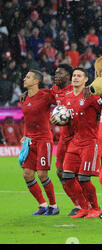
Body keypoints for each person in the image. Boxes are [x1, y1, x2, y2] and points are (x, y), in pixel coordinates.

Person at [57, 67, 102, 219]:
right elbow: (66, 118)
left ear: (85, 80)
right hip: (74, 142)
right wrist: (58, 120)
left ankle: (96, 208)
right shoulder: (67, 97)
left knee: (84, 178)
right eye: (74, 75)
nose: (75, 78)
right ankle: (83, 207)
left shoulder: (91, 95)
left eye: (79, 76)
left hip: (90, 141)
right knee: (67, 176)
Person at [20, 70, 59, 215]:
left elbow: (61, 101)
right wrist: (24, 135)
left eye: (28, 77)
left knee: (42, 174)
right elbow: (27, 120)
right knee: (27, 174)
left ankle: (53, 206)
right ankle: (42, 205)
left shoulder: (45, 95)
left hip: (44, 140)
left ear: (36, 81)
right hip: (30, 141)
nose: (24, 79)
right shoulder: (24, 98)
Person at [51, 64, 86, 216]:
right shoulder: (55, 90)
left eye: (60, 73)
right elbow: (42, 97)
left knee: (75, 174)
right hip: (64, 138)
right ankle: (77, 204)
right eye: (56, 73)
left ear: (68, 76)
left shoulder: (78, 90)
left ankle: (86, 205)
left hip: (78, 136)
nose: (56, 76)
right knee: (60, 172)